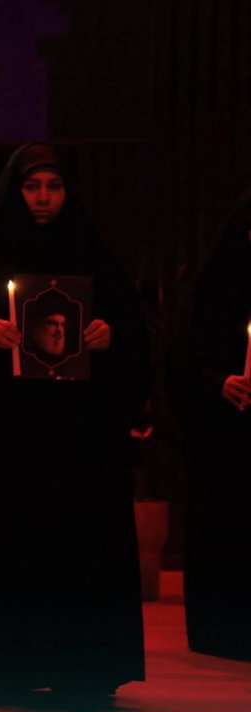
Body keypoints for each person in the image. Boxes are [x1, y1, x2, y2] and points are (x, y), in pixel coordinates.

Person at [0, 143, 150, 703]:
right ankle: (7, 662)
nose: (44, 197)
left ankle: (82, 667)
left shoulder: (90, 252)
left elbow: (135, 328)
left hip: (78, 438)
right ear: (15, 191)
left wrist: (110, 335)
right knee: (8, 541)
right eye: (32, 186)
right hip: (3, 435)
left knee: (78, 542)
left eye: (54, 186)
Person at [174, 188, 251, 660]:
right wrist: (219, 382)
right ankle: (222, 627)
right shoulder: (214, 287)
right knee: (225, 526)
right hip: (224, 433)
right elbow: (183, 358)